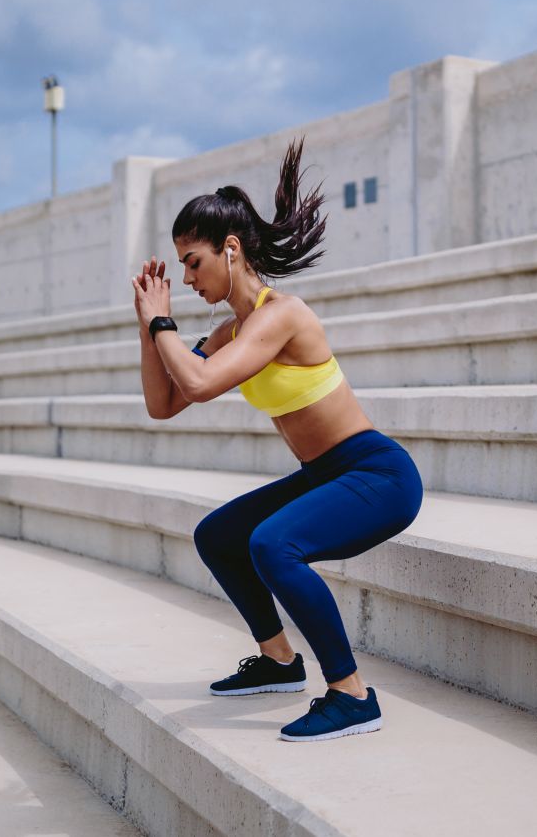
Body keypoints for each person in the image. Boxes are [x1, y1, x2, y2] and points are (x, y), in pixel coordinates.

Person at [131, 137, 424, 743]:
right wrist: (147, 329)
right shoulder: (230, 331)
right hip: (323, 474)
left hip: (375, 475)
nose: (186, 277)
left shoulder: (280, 315)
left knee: (273, 543)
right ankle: (280, 662)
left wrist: (164, 324)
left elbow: (202, 384)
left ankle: (350, 694)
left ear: (230, 250)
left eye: (194, 262)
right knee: (220, 536)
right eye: (181, 265)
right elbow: (164, 403)